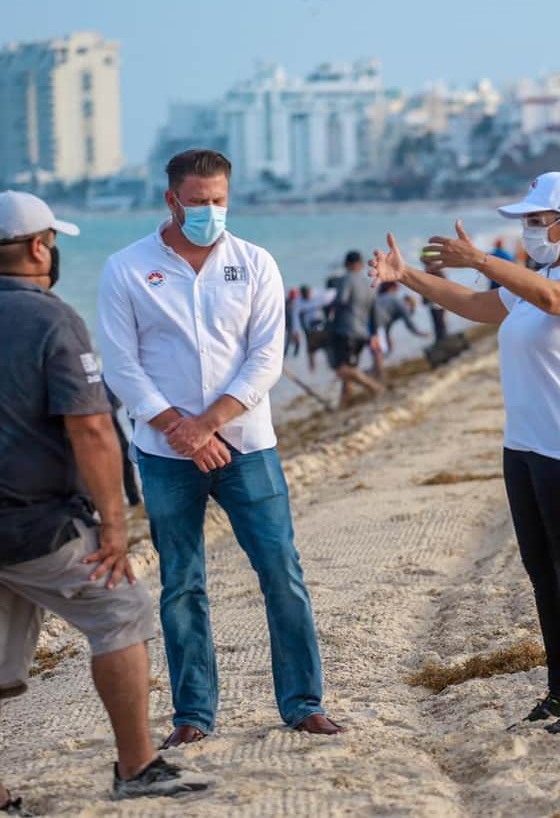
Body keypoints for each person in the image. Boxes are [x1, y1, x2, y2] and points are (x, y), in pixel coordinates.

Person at [0, 189, 210, 811]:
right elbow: (93, 430)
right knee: (120, 612)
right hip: (35, 525)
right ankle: (137, 765)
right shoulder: (52, 320)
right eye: (55, 243)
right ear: (41, 247)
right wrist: (115, 529)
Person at [97, 149, 340, 747]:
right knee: (182, 582)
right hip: (164, 455)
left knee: (282, 571)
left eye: (219, 200)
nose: (210, 210)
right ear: (171, 200)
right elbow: (122, 366)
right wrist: (178, 428)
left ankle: (304, 703)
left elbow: (266, 358)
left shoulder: (256, 264)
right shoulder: (127, 268)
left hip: (249, 447)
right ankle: (193, 714)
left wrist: (208, 423)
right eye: (198, 200)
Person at [370, 171, 560, 733]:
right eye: (525, 221)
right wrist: (406, 274)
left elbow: (555, 301)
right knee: (542, 573)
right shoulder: (537, 275)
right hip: (524, 447)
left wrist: (481, 257)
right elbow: (477, 306)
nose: (530, 230)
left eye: (537, 220)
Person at [326, 250, 384, 406]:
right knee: (350, 370)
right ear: (360, 264)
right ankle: (344, 404)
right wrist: (374, 334)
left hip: (346, 331)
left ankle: (374, 387)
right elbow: (374, 310)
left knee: (341, 369)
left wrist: (328, 315)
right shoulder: (368, 282)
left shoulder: (346, 279)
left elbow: (341, 301)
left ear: (347, 264)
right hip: (363, 332)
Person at [106, 386, 143, 508]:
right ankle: (132, 501)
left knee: (125, 457)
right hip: (103, 412)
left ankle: (134, 501)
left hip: (108, 410)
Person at [375, 282, 426, 356]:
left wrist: (387, 335)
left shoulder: (380, 297)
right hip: (378, 326)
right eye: (411, 309)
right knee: (380, 350)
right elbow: (409, 323)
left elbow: (385, 320)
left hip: (370, 325)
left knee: (378, 349)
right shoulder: (397, 301)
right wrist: (421, 333)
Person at [284, 287, 302, 357]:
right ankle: (285, 354)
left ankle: (295, 355)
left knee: (296, 340)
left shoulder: (297, 303)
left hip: (295, 325)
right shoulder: (287, 302)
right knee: (288, 340)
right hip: (289, 325)